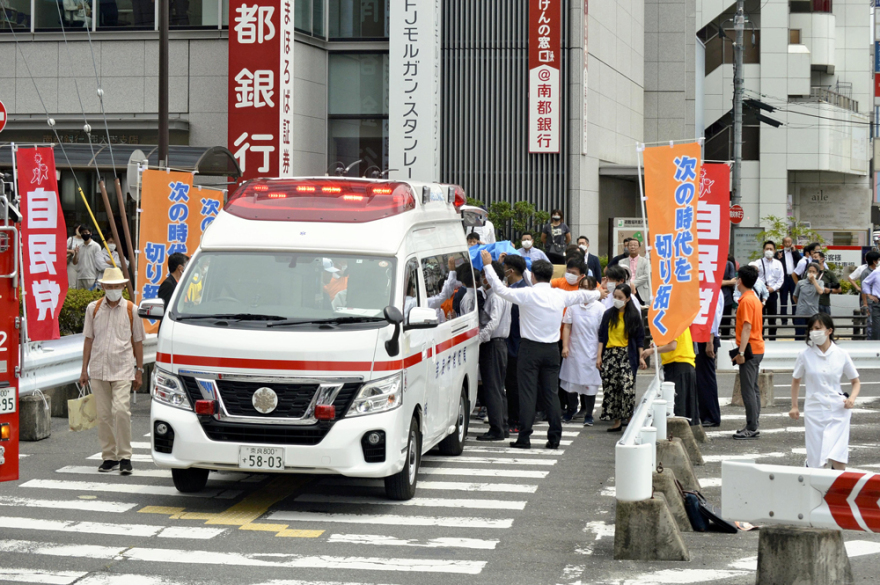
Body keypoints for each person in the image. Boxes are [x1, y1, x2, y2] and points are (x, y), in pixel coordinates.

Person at [479, 251, 606, 449]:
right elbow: (582, 295)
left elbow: (499, 289)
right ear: (550, 276)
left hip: (529, 349)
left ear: (533, 276)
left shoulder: (527, 294)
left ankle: (524, 437)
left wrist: (488, 265)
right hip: (551, 349)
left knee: (527, 394)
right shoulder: (559, 294)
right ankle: (554, 438)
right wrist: (599, 292)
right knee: (551, 394)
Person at [79, 267, 146, 476]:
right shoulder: (93, 308)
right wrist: (84, 370)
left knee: (121, 411)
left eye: (117, 286)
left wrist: (139, 370)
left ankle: (125, 456)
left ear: (123, 286)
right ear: (103, 287)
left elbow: (138, 342)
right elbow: (88, 339)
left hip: (123, 368)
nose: (113, 289)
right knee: (104, 415)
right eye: (109, 286)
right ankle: (109, 456)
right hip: (98, 368)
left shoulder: (132, 310)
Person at [789, 313, 861, 470]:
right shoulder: (804, 355)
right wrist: (794, 406)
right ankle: (811, 467)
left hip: (838, 410)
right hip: (815, 411)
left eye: (818, 328)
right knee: (817, 461)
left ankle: (837, 483)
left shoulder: (841, 354)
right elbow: (796, 380)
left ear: (829, 331)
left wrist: (852, 399)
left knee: (839, 458)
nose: (814, 332)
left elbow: (856, 382)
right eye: (811, 329)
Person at [598, 284, 646, 432]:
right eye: (615, 297)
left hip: (627, 355)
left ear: (628, 298)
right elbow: (602, 337)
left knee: (627, 387)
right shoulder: (608, 314)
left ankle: (629, 418)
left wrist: (641, 357)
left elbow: (639, 338)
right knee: (612, 388)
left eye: (620, 297)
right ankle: (617, 421)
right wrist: (599, 356)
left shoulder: (633, 315)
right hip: (610, 354)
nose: (617, 300)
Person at [560, 277, 604, 427]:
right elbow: (567, 326)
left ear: (594, 290)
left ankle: (589, 414)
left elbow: (602, 334)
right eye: (582, 287)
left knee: (590, 384)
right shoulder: (573, 306)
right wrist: (565, 346)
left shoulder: (599, 308)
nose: (584, 290)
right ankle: (571, 409)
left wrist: (599, 354)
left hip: (591, 350)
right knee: (570, 382)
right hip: (574, 349)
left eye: (588, 287)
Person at [476, 261, 512, 441]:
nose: (482, 278)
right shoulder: (501, 294)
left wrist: (479, 338)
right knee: (498, 388)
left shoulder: (496, 296)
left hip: (492, 345)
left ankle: (497, 428)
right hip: (499, 345)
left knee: (492, 388)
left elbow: (493, 322)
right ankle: (502, 426)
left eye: (484, 275)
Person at [733, 265, 765, 440]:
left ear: (740, 280)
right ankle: (754, 423)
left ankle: (751, 426)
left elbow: (746, 327)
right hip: (757, 347)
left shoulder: (746, 301)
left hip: (749, 348)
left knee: (748, 390)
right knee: (753, 388)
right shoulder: (754, 298)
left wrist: (741, 352)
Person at [645, 327, 699, 426]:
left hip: (677, 365)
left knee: (677, 406)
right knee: (687, 406)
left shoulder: (674, 323)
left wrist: (652, 350)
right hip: (686, 365)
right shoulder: (681, 322)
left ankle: (678, 432)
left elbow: (672, 346)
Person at [503, 254, 529, 433]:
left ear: (511, 271)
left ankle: (518, 420)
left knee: (516, 385)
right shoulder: (512, 288)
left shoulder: (522, 291)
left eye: (504, 268)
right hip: (511, 342)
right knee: (511, 383)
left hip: (518, 344)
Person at [696, 295, 725, 427]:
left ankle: (711, 416)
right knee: (701, 378)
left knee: (705, 378)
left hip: (706, 337)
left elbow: (713, 316)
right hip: (701, 336)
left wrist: (709, 340)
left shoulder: (711, 289)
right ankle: (705, 414)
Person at [753, 241, 783, 339]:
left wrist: (773, 288)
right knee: (759, 318)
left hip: (772, 293)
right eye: (767, 249)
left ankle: (772, 339)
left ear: (774, 251)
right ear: (763, 250)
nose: (769, 251)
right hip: (760, 294)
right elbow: (754, 277)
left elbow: (781, 279)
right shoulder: (758, 263)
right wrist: (761, 287)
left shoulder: (778, 263)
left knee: (772, 318)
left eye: (771, 249)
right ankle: (759, 339)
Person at [848, 251, 880, 338]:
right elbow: (864, 289)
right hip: (869, 302)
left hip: (876, 302)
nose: (878, 261)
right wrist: (865, 304)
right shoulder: (866, 272)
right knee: (870, 324)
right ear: (874, 261)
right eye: (877, 259)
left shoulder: (877, 271)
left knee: (876, 324)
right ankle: (870, 342)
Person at [793, 262, 825, 339]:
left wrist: (814, 281)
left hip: (813, 313)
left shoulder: (820, 282)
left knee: (813, 336)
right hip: (801, 313)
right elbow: (795, 296)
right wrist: (799, 305)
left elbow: (820, 292)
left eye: (813, 272)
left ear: (817, 273)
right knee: (799, 335)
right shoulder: (800, 283)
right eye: (810, 271)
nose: (811, 273)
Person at [777, 236, 802, 325]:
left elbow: (800, 261)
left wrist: (795, 251)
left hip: (793, 278)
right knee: (783, 299)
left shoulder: (795, 252)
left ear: (792, 243)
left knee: (794, 298)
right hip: (784, 278)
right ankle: (784, 320)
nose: (788, 244)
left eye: (789, 242)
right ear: (783, 243)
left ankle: (795, 320)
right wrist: (778, 258)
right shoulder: (779, 253)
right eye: (786, 242)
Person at [71, 226, 102, 290]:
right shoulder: (79, 246)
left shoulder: (96, 246)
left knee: (91, 295)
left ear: (90, 233)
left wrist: (97, 277)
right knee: (80, 295)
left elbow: (99, 262)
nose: (84, 234)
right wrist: (76, 253)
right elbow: (75, 262)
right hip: (80, 277)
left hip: (91, 277)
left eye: (86, 232)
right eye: (82, 233)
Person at [624, 238, 651, 305]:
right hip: (626, 289)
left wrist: (632, 283)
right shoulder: (622, 262)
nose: (633, 247)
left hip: (641, 290)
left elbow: (646, 275)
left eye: (635, 245)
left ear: (639, 248)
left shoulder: (646, 261)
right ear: (628, 248)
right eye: (630, 245)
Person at [860, 262, 880, 341]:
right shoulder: (877, 272)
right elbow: (865, 282)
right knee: (876, 328)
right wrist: (869, 294)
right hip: (878, 303)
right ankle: (876, 346)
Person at [720, 257, 738, 338]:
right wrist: (727, 282)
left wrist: (720, 282)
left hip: (726, 299)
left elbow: (733, 281)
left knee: (726, 325)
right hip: (711, 298)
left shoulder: (729, 264)